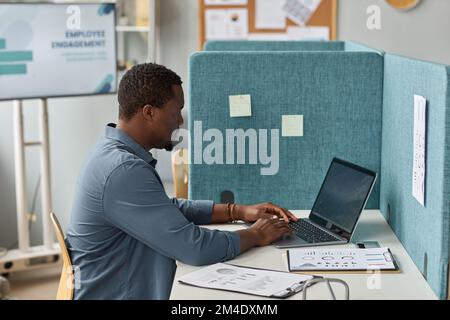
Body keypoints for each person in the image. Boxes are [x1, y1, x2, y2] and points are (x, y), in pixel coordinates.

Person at [66, 63, 297, 300]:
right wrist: (256, 235)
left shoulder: (112, 154)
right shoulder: (123, 170)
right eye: (176, 112)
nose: (179, 123)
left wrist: (237, 210)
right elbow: (194, 248)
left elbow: (163, 208)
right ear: (149, 112)